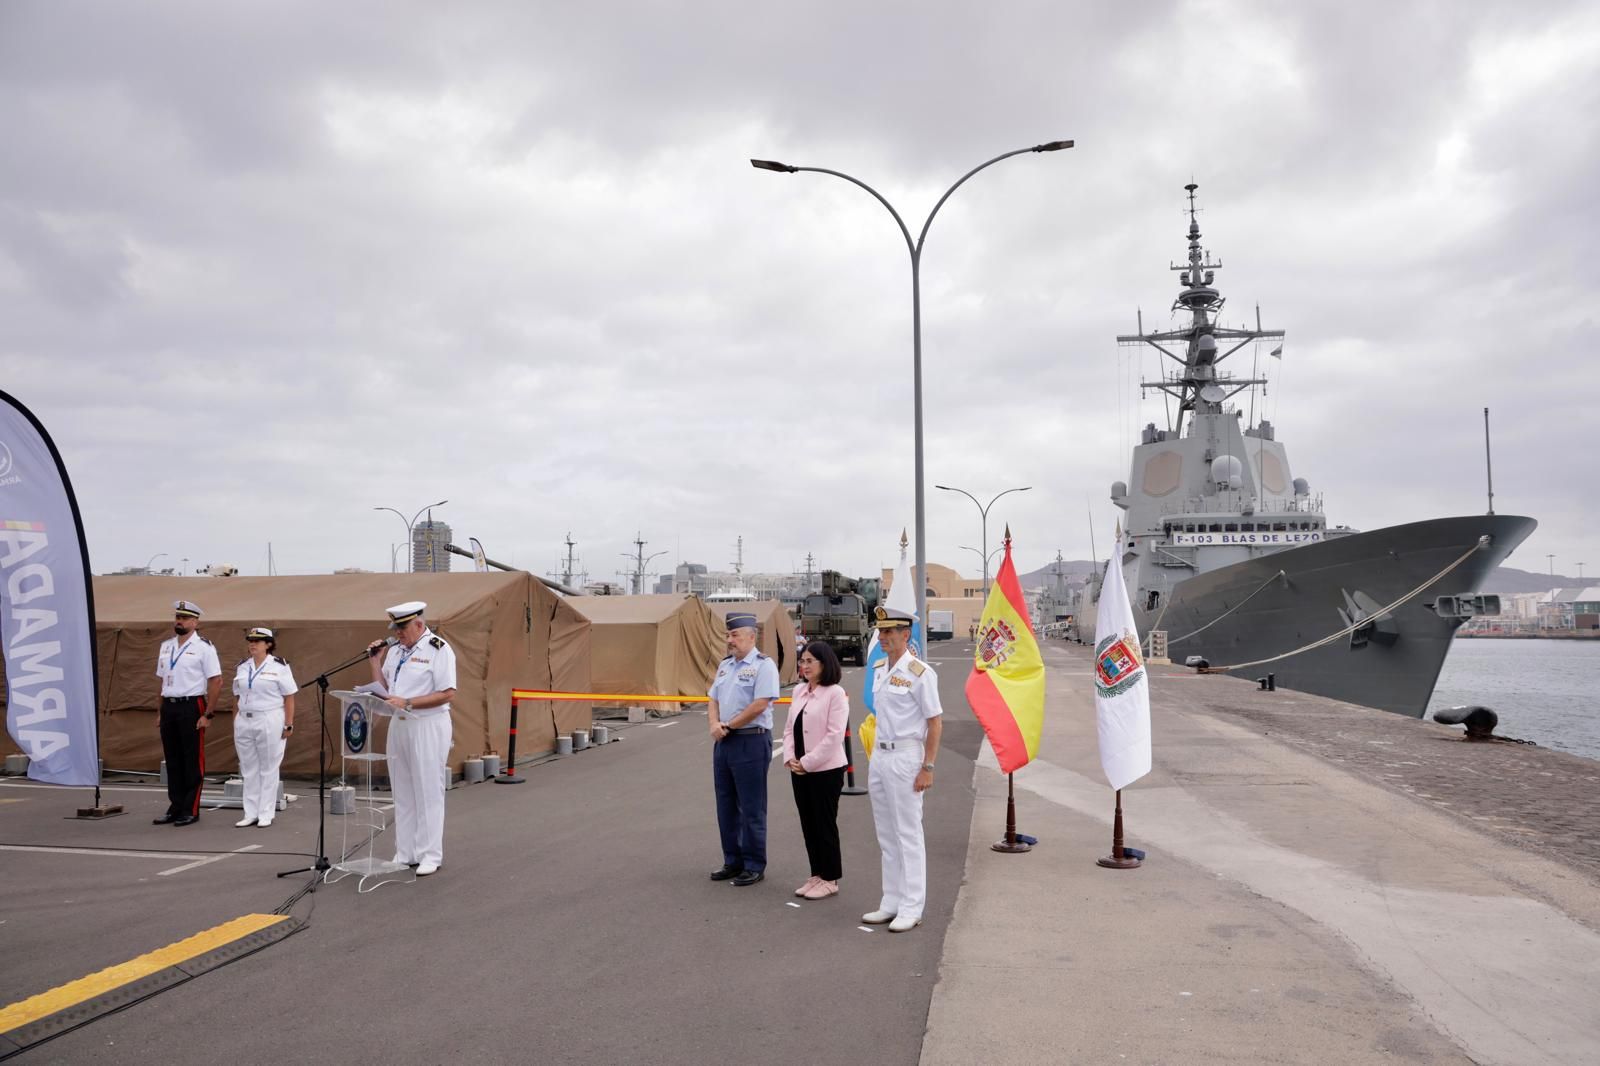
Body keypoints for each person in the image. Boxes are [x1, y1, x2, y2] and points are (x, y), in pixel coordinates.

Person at [862, 606, 943, 932]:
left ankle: (912, 906)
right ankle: (891, 901)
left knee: (908, 834)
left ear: (905, 634)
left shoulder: (920, 673)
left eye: (888, 632)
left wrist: (928, 766)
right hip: (880, 757)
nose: (882, 638)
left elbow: (935, 723)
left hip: (907, 757)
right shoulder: (881, 668)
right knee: (886, 834)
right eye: (880, 632)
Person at [367, 601, 456, 876]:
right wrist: (375, 661)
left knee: (428, 790)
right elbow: (384, 689)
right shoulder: (394, 652)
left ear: (419, 624)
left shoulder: (438, 649)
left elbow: (447, 692)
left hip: (427, 724)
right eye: (396, 628)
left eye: (403, 627)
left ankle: (430, 854)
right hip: (399, 725)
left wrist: (408, 702)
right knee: (403, 790)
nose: (399, 633)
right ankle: (405, 851)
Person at [706, 611, 779, 887]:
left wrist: (729, 725)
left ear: (751, 636)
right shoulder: (725, 666)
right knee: (725, 805)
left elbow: (760, 703)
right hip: (724, 741)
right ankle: (732, 860)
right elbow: (712, 698)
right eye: (728, 635)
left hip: (751, 740)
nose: (729, 640)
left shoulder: (764, 666)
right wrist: (715, 723)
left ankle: (753, 863)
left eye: (734, 635)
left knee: (751, 806)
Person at [782, 641, 849, 900]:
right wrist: (790, 758)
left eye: (810, 661)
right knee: (808, 823)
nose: (805, 665)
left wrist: (808, 762)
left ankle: (830, 877)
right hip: (799, 768)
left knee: (824, 823)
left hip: (825, 769)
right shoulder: (799, 691)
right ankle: (817, 873)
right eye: (803, 661)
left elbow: (834, 736)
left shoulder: (835, 694)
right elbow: (790, 729)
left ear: (825, 663)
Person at [153, 600, 222, 826]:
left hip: (192, 705)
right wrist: (160, 711)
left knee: (192, 759)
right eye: (177, 617)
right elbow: (162, 680)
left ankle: (191, 809)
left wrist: (208, 714)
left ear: (195, 622)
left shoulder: (204, 647)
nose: (179, 621)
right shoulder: (166, 646)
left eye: (184, 618)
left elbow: (216, 680)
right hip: (170, 706)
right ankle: (176, 806)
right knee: (173, 759)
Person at [231, 627, 297, 828]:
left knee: (268, 767)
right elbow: (236, 696)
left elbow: (289, 696)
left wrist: (289, 723)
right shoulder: (242, 666)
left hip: (269, 717)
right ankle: (250, 812)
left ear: (268, 644)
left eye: (257, 641)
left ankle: (266, 812)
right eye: (250, 640)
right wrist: (236, 720)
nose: (252, 644)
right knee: (249, 768)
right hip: (245, 719)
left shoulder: (279, 666)